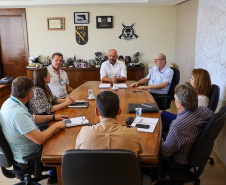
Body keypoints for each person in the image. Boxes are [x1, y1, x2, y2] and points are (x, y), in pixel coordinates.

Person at [0, 76, 66, 183]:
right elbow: (39, 139)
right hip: (29, 157)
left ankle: (54, 176)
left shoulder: (10, 102)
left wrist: (53, 117)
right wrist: (56, 125)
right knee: (62, 148)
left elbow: (31, 118)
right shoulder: (18, 113)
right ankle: (56, 177)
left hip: (19, 150)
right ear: (30, 93)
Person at [160, 83, 214, 170]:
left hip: (179, 162)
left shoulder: (177, 124)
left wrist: (161, 141)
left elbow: (166, 153)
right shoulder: (206, 111)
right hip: (193, 154)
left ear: (180, 103)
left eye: (175, 100)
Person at [75, 91, 143, 156]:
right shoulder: (133, 134)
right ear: (119, 111)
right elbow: (140, 152)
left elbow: (77, 153)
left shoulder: (84, 132)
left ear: (96, 112)